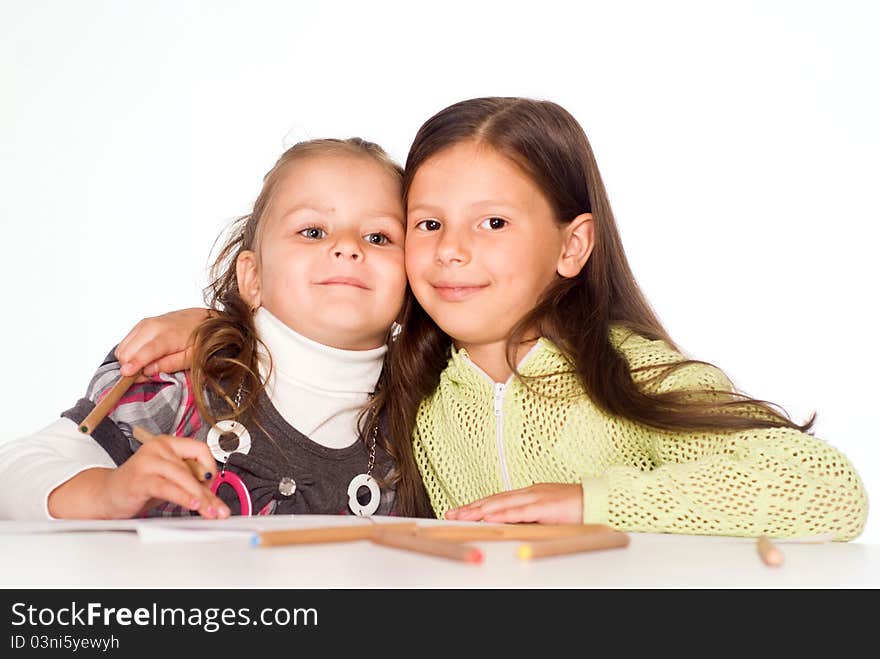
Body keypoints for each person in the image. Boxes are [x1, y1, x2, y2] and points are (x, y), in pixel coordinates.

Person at [110, 97, 869, 541]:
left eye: (494, 223)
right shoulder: (409, 392)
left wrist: (593, 502)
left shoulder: (626, 373)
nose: (451, 252)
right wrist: (223, 323)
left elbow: (830, 489)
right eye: (428, 225)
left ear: (572, 244)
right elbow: (325, 308)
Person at [0, 137, 431, 520]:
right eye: (313, 231)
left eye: (378, 237)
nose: (347, 247)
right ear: (253, 278)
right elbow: (13, 470)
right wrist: (108, 491)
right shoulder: (181, 387)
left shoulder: (423, 423)